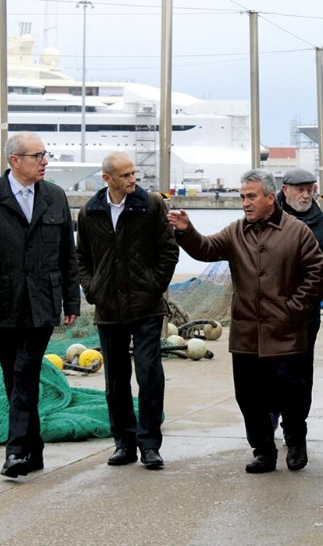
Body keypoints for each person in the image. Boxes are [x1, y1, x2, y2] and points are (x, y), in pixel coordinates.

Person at [167, 169, 323, 474]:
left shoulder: (297, 232)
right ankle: (263, 451)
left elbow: (317, 273)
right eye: (242, 197)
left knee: (292, 396)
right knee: (250, 398)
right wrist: (187, 231)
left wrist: (293, 310)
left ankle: (295, 444)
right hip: (246, 335)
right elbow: (206, 249)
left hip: (287, 334)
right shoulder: (235, 231)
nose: (245, 203)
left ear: (270, 197)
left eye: (251, 196)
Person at [0, 132, 80, 478]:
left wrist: (72, 300)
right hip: (3, 304)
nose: (45, 161)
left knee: (24, 373)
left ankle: (15, 452)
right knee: (12, 378)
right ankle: (34, 448)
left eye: (46, 155)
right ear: (15, 161)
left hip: (43, 302)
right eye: (37, 156)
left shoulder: (55, 197)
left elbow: (67, 254)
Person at [77, 151, 179, 470]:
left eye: (134, 174)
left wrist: (153, 285)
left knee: (149, 375)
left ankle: (149, 444)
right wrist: (92, 289)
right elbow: (82, 258)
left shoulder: (151, 205)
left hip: (146, 306)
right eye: (125, 175)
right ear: (107, 179)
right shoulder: (90, 212)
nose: (133, 180)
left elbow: (168, 250)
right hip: (108, 308)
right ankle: (124, 443)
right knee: (116, 381)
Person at [274, 168, 323, 444]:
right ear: (285, 189)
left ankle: (295, 435)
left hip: (304, 315)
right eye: (299, 189)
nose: (305, 194)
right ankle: (265, 435)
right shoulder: (267, 219)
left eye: (310, 189)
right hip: (268, 313)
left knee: (299, 376)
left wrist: (309, 298)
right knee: (268, 375)